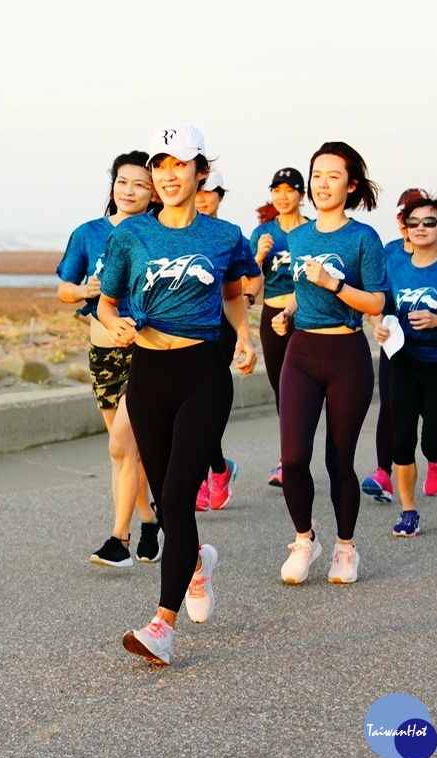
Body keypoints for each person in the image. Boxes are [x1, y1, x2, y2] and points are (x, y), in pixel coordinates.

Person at [98, 123, 258, 665]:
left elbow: (235, 295)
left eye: (180, 164)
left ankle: (161, 627)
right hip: (147, 374)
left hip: (202, 373)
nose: (168, 175)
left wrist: (244, 336)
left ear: (201, 171)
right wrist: (117, 324)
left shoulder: (224, 236)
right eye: (160, 165)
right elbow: (108, 301)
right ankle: (196, 565)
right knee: (166, 501)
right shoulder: (131, 236)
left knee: (181, 493)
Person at [271, 141, 386, 586]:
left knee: (339, 460)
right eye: (316, 175)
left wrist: (334, 282)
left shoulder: (363, 238)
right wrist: (287, 314)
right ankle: (305, 540)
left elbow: (376, 301)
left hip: (347, 356)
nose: (322, 183)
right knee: (294, 457)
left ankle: (344, 548)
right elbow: (303, 292)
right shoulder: (297, 236)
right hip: (301, 353)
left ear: (351, 184)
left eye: (332, 176)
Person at [55, 151, 160, 567]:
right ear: (112, 185)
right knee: (125, 450)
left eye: (140, 184)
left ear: (152, 192)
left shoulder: (156, 233)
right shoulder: (88, 233)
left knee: (121, 444)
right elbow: (65, 287)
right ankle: (150, 518)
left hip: (143, 350)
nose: (129, 190)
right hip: (101, 353)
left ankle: (120, 539)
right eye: (123, 182)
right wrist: (87, 291)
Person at [373, 194, 437, 536]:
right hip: (404, 363)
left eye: (429, 222)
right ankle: (408, 511)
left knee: (431, 444)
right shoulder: (395, 266)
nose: (420, 228)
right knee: (401, 442)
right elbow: (381, 306)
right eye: (413, 222)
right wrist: (379, 324)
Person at [361, 188, 437, 504]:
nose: (413, 224)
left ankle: (435, 462)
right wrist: (377, 323)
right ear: (399, 219)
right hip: (394, 343)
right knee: (390, 407)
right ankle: (383, 473)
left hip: (433, 350)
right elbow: (374, 296)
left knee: (428, 415)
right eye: (408, 217)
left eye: (423, 219)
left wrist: (436, 321)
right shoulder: (387, 253)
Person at [191, 169, 260, 512]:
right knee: (190, 404)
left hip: (221, 326)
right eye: (199, 190)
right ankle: (217, 468)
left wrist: (245, 301)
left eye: (210, 191)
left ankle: (207, 472)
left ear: (220, 196)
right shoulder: (179, 230)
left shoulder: (230, 236)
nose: (203, 197)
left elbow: (254, 277)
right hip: (186, 328)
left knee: (207, 403)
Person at [249, 167, 308, 487]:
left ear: (301, 194)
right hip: (272, 313)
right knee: (281, 389)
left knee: (302, 390)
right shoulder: (263, 233)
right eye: (277, 190)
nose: (283, 196)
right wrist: (258, 256)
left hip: (306, 314)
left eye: (290, 190)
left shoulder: (312, 231)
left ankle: (294, 458)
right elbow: (248, 279)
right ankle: (290, 459)